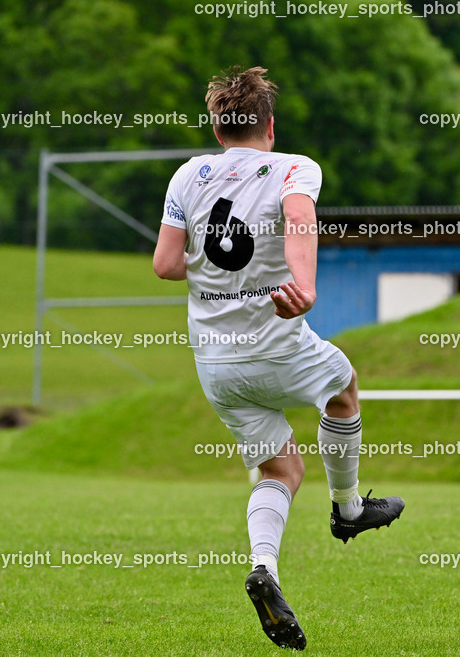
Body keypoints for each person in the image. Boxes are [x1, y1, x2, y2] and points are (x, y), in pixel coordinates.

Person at [153, 66, 404, 650]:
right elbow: (298, 217)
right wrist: (304, 286)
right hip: (275, 342)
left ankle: (264, 565)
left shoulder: (188, 176)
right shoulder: (295, 166)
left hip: (215, 364)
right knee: (342, 388)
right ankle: (347, 507)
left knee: (281, 471)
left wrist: (219, 273)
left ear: (218, 129)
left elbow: (166, 264)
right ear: (270, 125)